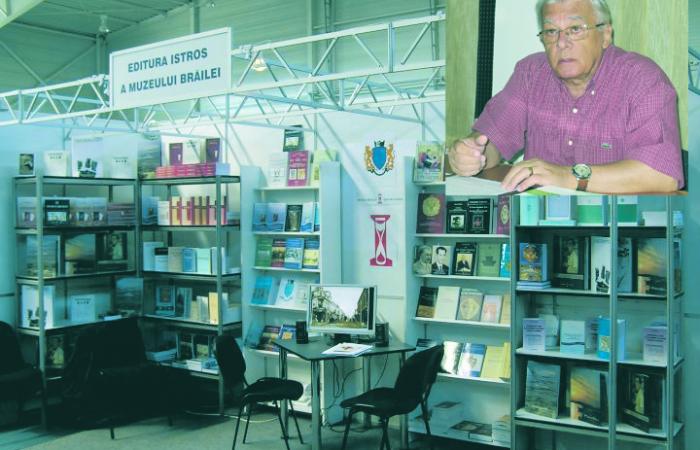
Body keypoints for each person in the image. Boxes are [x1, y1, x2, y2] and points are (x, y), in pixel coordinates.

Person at [448, 0, 683, 194]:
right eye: (551, 31)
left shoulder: (643, 79)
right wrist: (472, 155)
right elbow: (491, 143)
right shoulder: (530, 74)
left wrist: (566, 176)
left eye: (575, 29)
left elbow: (662, 175)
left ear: (605, 35)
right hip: (539, 224)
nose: (562, 43)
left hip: (616, 226)